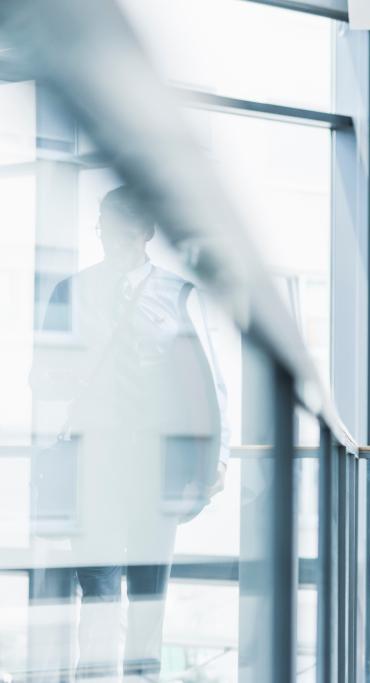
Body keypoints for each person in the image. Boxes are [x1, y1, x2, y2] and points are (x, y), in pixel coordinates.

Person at [29, 185, 230, 680]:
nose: (108, 239)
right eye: (102, 228)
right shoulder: (70, 292)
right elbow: (40, 377)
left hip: (154, 471)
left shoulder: (180, 295)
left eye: (117, 229)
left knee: (146, 598)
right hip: (90, 467)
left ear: (145, 233)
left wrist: (216, 460)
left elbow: (210, 385)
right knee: (97, 595)